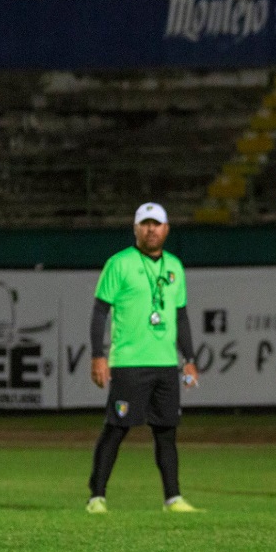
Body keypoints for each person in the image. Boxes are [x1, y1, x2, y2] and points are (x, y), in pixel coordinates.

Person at [85, 202, 202, 514]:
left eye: (157, 224)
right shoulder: (119, 263)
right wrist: (98, 355)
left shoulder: (175, 266)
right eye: (145, 224)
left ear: (166, 229)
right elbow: (100, 311)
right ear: (135, 228)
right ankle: (96, 496)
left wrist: (188, 358)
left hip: (165, 363)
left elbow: (182, 315)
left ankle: (173, 498)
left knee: (166, 433)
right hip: (129, 363)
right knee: (117, 428)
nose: (151, 229)